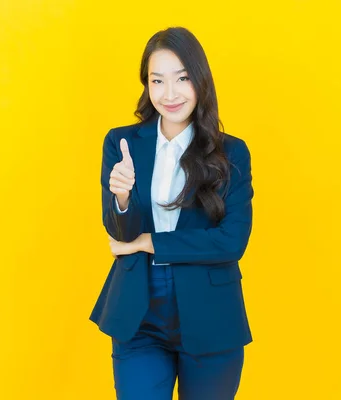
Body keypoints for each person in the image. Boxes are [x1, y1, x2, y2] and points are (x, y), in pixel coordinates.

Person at [89, 26, 254, 400]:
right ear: (146, 86)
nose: (169, 93)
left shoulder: (232, 153)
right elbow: (120, 234)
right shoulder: (122, 143)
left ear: (200, 81)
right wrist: (122, 198)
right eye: (157, 80)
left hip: (211, 315)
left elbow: (231, 241)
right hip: (140, 312)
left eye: (181, 79)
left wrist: (152, 242)